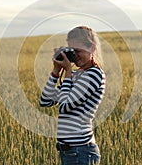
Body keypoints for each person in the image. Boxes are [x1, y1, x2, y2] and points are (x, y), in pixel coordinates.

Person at [39, 26, 106, 165]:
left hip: (81, 152)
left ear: (92, 48)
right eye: (72, 51)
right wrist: (56, 71)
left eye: (79, 51)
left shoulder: (94, 75)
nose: (75, 56)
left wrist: (68, 71)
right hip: (69, 152)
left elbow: (65, 106)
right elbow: (45, 100)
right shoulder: (76, 75)